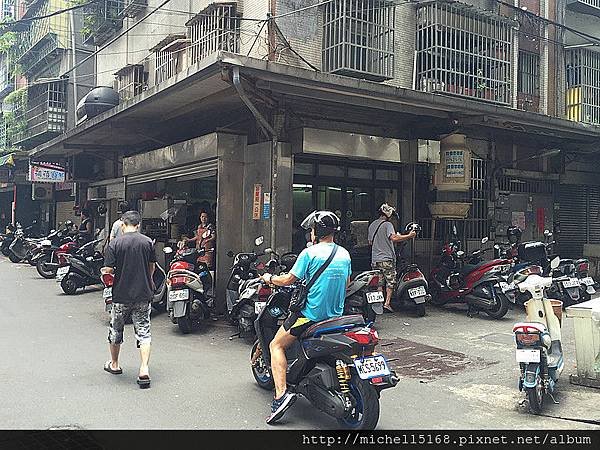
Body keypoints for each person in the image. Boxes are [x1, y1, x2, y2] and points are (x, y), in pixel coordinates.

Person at [259, 210, 352, 425]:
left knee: (276, 345)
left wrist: (269, 277)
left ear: (317, 231)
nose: (310, 233)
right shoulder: (344, 254)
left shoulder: (309, 254)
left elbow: (289, 279)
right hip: (336, 317)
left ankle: (280, 395)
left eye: (311, 230)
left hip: (311, 317)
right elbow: (346, 284)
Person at [101, 211, 157, 389]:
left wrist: (109, 277)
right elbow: (152, 266)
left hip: (120, 295)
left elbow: (108, 270)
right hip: (143, 294)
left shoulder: (115, 243)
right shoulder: (147, 242)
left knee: (116, 329)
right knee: (144, 332)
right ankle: (144, 369)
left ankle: (115, 364)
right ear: (138, 225)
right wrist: (147, 280)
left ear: (123, 225)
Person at [368, 203, 416, 313]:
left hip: (375, 259)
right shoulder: (387, 225)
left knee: (379, 282)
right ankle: (387, 303)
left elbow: (370, 242)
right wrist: (409, 236)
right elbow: (394, 238)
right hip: (386, 258)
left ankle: (379, 304)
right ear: (388, 214)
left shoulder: (372, 225)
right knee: (390, 282)